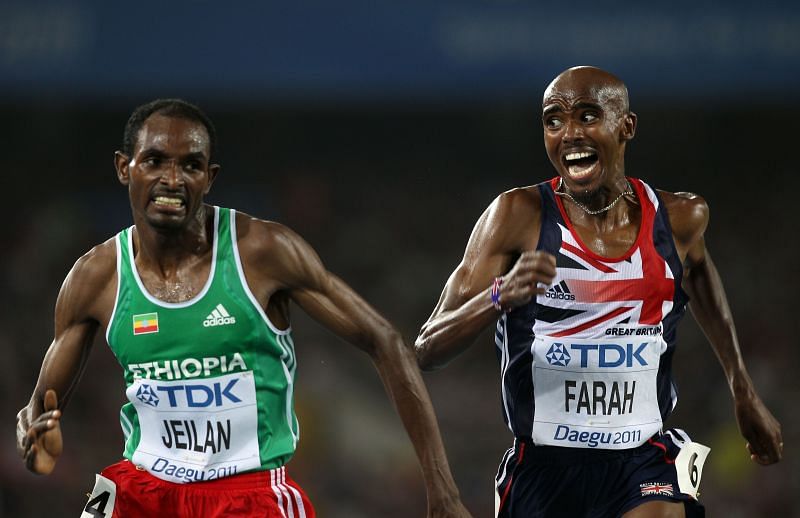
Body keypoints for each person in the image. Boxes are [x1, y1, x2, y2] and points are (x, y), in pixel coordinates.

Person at [16, 99, 472, 518]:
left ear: (209, 178)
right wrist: (35, 445)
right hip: (139, 486)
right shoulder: (95, 277)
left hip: (248, 492)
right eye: (154, 161)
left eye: (190, 165)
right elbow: (37, 412)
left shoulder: (262, 251)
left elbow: (384, 340)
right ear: (124, 167)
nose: (172, 180)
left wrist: (442, 488)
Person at [414, 66, 783, 517]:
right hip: (544, 469)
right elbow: (427, 349)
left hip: (644, 457)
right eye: (553, 121)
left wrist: (741, 386)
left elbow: (699, 274)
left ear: (626, 126)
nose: (568, 134)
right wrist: (499, 295)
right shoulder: (517, 215)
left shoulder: (680, 217)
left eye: (587, 116)